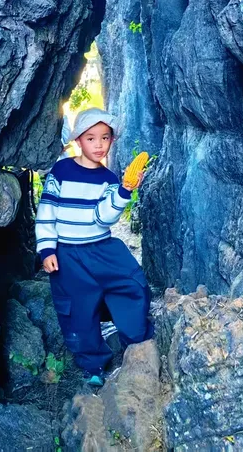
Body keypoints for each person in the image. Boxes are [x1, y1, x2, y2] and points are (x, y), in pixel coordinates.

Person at [35, 107, 153, 386]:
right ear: (78, 140)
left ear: (112, 141)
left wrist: (124, 190)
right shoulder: (61, 170)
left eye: (105, 138)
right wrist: (47, 249)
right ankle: (93, 365)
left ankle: (137, 342)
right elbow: (47, 211)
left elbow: (103, 217)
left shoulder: (109, 179)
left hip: (101, 248)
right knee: (79, 308)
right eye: (91, 138)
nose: (98, 144)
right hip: (68, 253)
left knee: (132, 285)